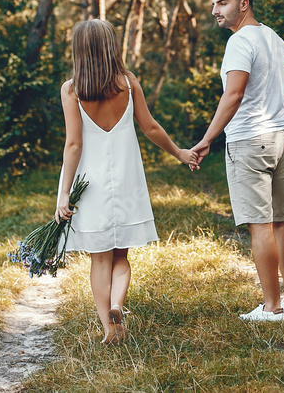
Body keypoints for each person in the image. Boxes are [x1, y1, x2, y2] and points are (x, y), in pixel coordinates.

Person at [55, 19, 199, 345]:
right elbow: (150, 127)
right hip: (126, 176)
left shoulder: (72, 89)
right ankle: (118, 304)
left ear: (79, 51)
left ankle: (108, 326)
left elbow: (74, 145)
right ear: (111, 46)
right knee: (121, 255)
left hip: (88, 183)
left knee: (100, 258)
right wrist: (179, 153)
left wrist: (64, 193)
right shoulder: (129, 83)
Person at [191, 0, 284, 322]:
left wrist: (207, 138)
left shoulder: (240, 42)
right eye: (213, 5)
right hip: (282, 137)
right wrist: (279, 122)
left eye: (221, 3)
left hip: (250, 141)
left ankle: (271, 308)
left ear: (244, 3)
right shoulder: (275, 39)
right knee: (283, 221)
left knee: (261, 225)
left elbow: (233, 94)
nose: (214, 11)